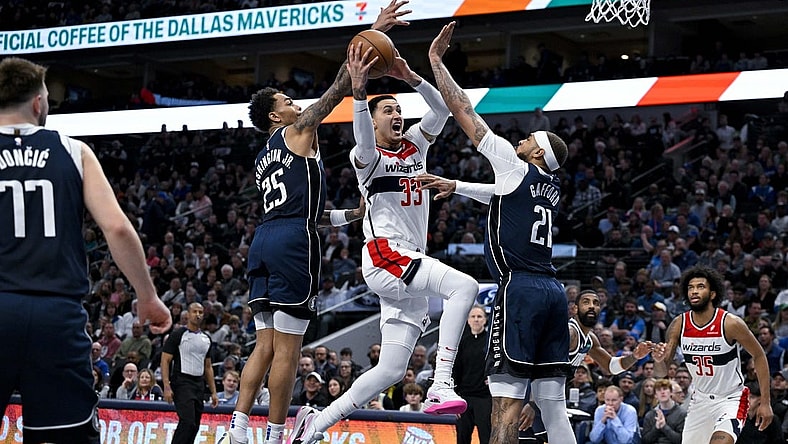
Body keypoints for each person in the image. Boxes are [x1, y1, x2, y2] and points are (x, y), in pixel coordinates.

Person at [221, 4, 412, 444]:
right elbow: (337, 91)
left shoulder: (264, 156)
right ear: (275, 116)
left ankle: (238, 425)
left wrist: (352, 216)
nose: (296, 104)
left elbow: (309, 212)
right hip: (292, 244)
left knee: (264, 345)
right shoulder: (298, 131)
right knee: (289, 348)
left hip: (265, 239)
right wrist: (370, 37)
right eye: (288, 103)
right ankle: (273, 434)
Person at [288, 25, 480, 444]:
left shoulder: (415, 145)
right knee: (464, 286)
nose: (397, 115)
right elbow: (359, 132)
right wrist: (359, 93)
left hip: (406, 265)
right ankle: (441, 383)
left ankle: (313, 425)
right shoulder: (367, 158)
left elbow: (443, 109)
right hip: (385, 256)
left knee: (391, 369)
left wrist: (408, 74)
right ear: (373, 123)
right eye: (387, 111)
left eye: (398, 110)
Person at [0, 57, 171, 443]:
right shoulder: (73, 151)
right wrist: (147, 297)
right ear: (38, 104)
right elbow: (116, 228)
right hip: (56, 316)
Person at [423, 21, 574, 444]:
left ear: (538, 151)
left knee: (504, 407)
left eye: (528, 138)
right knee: (553, 407)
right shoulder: (551, 186)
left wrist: (436, 61)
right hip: (553, 291)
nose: (521, 139)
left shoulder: (513, 163)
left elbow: (465, 114)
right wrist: (456, 186)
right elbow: (502, 197)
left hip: (520, 288)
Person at [652, 265, 774, 444]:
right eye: (690, 287)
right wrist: (658, 360)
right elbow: (661, 372)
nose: (694, 291)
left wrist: (765, 401)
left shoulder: (730, 323)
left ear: (713, 294)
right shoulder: (679, 324)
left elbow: (759, 355)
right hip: (699, 401)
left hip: (730, 399)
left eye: (700, 287)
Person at [519, 290, 654, 440]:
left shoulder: (590, 339)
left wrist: (635, 356)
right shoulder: (570, 333)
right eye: (586, 302)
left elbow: (611, 366)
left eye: (596, 303)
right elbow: (539, 363)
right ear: (575, 309)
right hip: (534, 396)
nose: (591, 306)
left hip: (549, 397)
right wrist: (531, 403)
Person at [161, 302, 219, 444]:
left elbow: (208, 367)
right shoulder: (177, 335)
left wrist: (213, 392)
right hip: (181, 382)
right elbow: (165, 360)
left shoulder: (206, 339)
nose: (198, 315)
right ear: (187, 314)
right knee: (187, 422)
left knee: (195, 425)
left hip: (199, 384)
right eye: (194, 311)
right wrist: (166, 386)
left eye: (200, 312)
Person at [455, 306, 492, 444]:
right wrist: (455, 397)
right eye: (473, 317)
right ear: (468, 320)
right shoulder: (462, 342)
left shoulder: (490, 343)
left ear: (485, 320)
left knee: (486, 436)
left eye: (479, 316)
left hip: (484, 397)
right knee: (462, 437)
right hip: (464, 397)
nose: (476, 319)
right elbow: (456, 370)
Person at [641, 378, 686, 444]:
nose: (662, 392)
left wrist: (664, 427)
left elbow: (681, 440)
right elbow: (645, 440)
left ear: (670, 392)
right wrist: (656, 428)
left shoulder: (682, 414)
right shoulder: (650, 415)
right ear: (655, 395)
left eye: (665, 389)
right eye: (659, 390)